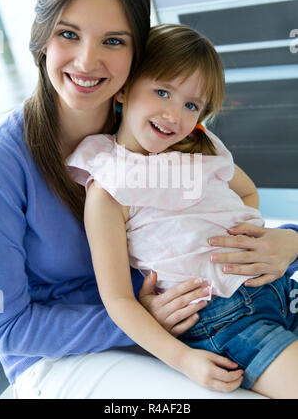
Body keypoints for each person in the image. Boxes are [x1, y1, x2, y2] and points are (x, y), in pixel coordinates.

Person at [0, 0, 297, 400]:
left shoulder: (158, 130)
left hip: (195, 310)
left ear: (140, 52)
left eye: (113, 41)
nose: (86, 61)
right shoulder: (10, 162)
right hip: (63, 355)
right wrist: (144, 316)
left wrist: (289, 242)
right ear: (41, 37)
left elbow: (225, 207)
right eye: (68, 34)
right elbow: (10, 329)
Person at [67, 23, 298, 398]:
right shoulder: (110, 185)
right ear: (124, 88)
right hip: (224, 318)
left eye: (191, 105)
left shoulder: (201, 148)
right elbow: (118, 300)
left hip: (276, 285)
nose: (174, 115)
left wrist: (246, 232)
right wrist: (183, 360)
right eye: (162, 92)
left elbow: (248, 192)